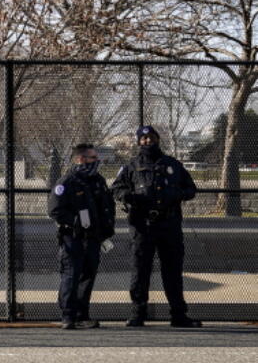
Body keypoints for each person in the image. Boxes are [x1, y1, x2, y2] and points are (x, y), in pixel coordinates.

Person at [111, 125, 202, 328]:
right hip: (143, 227)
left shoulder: (173, 165)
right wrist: (126, 196)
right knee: (140, 270)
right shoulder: (131, 166)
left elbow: (191, 189)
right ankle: (137, 313)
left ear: (157, 139)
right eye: (143, 139)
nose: (147, 141)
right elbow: (116, 187)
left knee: (172, 270)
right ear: (138, 142)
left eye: (151, 137)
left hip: (169, 225)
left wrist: (176, 195)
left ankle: (178, 314)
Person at [49, 143, 115, 329]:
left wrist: (106, 229)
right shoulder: (67, 181)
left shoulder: (97, 181)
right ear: (80, 159)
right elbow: (55, 210)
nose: (97, 161)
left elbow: (107, 206)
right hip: (73, 237)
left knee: (88, 276)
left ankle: (81, 315)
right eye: (93, 158)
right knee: (71, 274)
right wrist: (76, 221)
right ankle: (68, 316)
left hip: (93, 238)